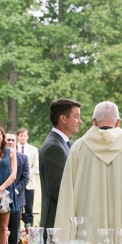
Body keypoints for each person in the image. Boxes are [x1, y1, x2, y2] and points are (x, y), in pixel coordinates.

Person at [57, 102, 122, 244]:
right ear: (118, 122)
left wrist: (66, 231)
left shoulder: (78, 147)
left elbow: (67, 192)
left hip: (88, 228)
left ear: (94, 121)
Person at [39, 98, 82, 233]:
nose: (80, 121)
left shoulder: (60, 144)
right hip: (56, 223)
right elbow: (56, 190)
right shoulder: (54, 147)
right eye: (76, 117)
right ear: (63, 118)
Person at [5, 132, 29, 244]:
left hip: (17, 198)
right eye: (8, 140)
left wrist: (15, 191)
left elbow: (25, 178)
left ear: (16, 142)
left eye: (12, 140)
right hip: (1, 197)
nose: (10, 142)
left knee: (14, 228)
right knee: (1, 228)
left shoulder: (23, 158)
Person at [17, 128, 40, 228]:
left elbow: (36, 167)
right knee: (17, 210)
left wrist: (26, 175)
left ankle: (28, 232)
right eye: (21, 135)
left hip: (29, 185)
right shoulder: (13, 148)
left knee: (29, 210)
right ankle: (16, 232)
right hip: (17, 185)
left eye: (24, 136)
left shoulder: (33, 150)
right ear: (18, 136)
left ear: (27, 137)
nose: (22, 137)